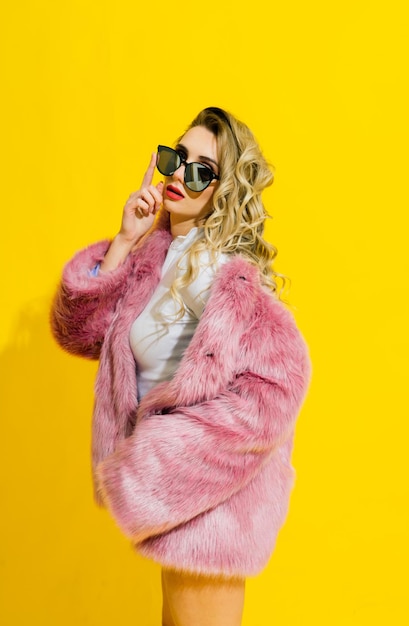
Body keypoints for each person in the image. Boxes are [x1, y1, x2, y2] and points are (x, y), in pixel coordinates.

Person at [51, 107, 311, 626]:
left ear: (224, 189)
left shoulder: (220, 275)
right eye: (176, 157)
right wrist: (125, 241)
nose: (180, 174)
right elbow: (77, 332)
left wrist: (161, 461)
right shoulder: (158, 260)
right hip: (176, 507)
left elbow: (279, 386)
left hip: (209, 509)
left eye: (201, 170)